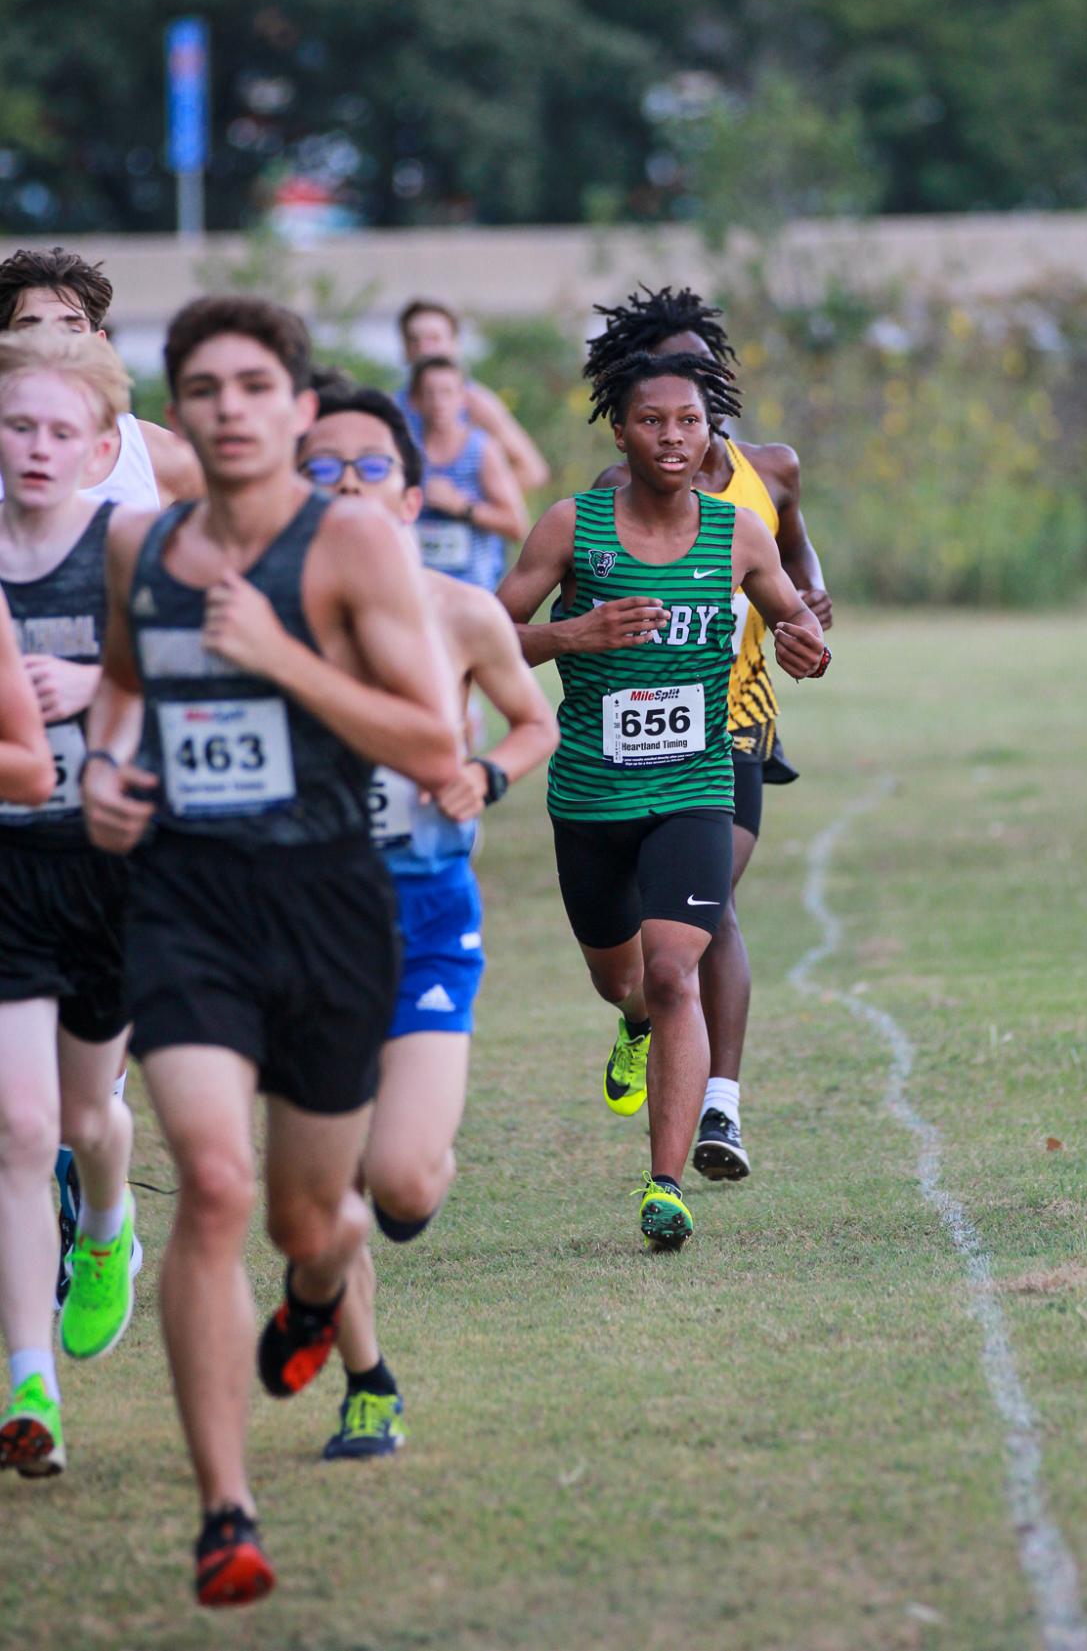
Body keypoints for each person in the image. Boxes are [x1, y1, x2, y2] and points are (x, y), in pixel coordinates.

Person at [80, 295, 461, 1605]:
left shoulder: (349, 541)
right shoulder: (141, 543)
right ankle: (226, 1514)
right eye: (203, 387)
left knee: (313, 1212)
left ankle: (314, 1297)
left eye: (254, 385)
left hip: (327, 907)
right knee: (215, 1182)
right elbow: (124, 684)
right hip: (187, 901)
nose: (229, 406)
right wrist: (112, 774)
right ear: (175, 413)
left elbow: (430, 744)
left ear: (297, 414)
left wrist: (279, 658)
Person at [499, 346, 828, 1251]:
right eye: (653, 421)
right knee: (626, 978)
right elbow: (485, 636)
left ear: (710, 427)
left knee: (679, 966)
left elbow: (795, 615)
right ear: (621, 429)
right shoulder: (572, 525)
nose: (673, 437)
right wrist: (575, 632)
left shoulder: (739, 532)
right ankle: (632, 1021)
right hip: (591, 798)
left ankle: (665, 1184)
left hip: (695, 784)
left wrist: (807, 643)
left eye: (689, 420)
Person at [295, 379, 557, 1459]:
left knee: (399, 1180)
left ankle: (377, 1219)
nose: (347, 483)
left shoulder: (459, 611)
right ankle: (366, 1378)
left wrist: (486, 777)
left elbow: (530, 722)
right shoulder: (258, 617)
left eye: (369, 468)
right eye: (322, 468)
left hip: (425, 918)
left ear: (411, 498)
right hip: (302, 926)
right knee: (322, 1191)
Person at [0, 334, 142, 1482]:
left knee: (89, 1119)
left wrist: (98, 683)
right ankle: (29, 1382)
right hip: (3, 863)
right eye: (16, 425)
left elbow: (197, 675)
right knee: (16, 1123)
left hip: (103, 862)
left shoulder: (125, 551)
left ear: (102, 451)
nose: (36, 449)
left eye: (59, 432)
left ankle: (106, 1228)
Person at [0, 246, 202, 507]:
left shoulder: (159, 455)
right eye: (31, 329)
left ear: (100, 344)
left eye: (71, 329)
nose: (52, 342)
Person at [395, 297, 550, 491]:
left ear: (453, 344)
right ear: (404, 349)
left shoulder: (475, 402)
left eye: (433, 339)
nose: (424, 349)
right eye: (414, 340)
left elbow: (533, 472)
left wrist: (469, 503)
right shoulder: (394, 407)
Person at [411, 355, 528, 588]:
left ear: (463, 398)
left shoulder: (482, 449)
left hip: (472, 590)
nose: (438, 402)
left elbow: (516, 525)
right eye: (429, 393)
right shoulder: (405, 450)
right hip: (418, 589)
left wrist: (461, 507)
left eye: (447, 392)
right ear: (415, 400)